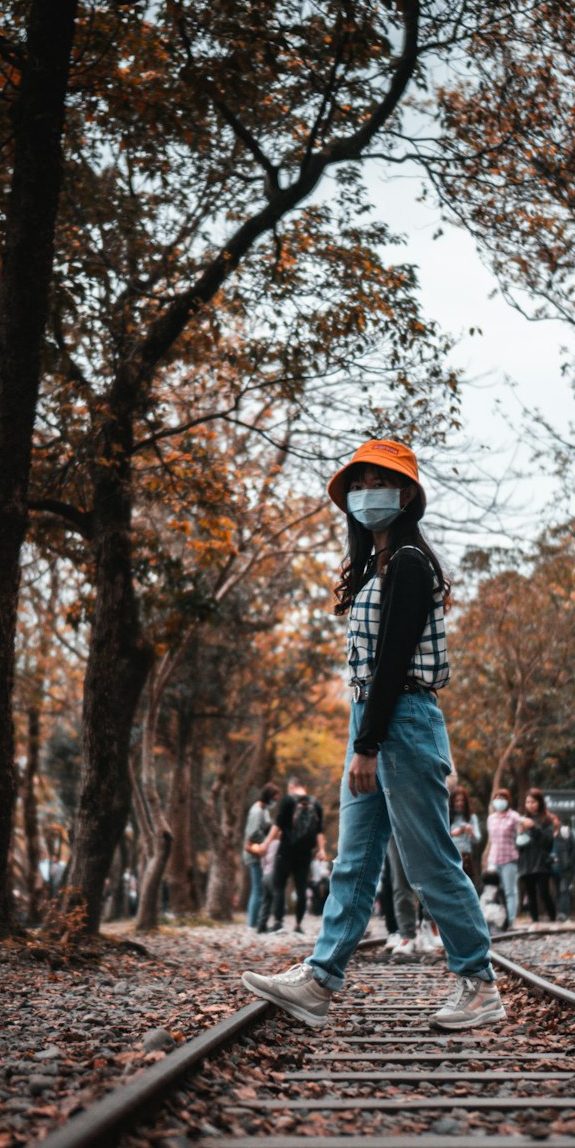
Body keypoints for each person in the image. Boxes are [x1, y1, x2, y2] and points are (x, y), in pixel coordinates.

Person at [242, 437, 502, 1030]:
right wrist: (361, 733)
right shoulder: (376, 567)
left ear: (406, 494)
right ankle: (320, 979)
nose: (364, 495)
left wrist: (367, 744)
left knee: (430, 860)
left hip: (402, 719)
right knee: (355, 862)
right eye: (355, 486)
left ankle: (479, 983)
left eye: (375, 483)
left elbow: (392, 662)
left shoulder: (410, 563)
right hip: (375, 717)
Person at [258, 776, 326, 934]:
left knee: (279, 885)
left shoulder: (288, 800)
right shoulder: (316, 804)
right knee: (301, 888)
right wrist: (321, 850)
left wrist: (266, 843)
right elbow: (319, 831)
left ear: (291, 787)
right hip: (305, 853)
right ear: (304, 788)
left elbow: (278, 825)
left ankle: (278, 922)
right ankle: (298, 924)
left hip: (286, 851)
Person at [242, 782, 279, 929]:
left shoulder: (264, 811)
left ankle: (257, 921)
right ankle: (253, 923)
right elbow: (253, 833)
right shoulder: (256, 811)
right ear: (268, 797)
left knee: (260, 888)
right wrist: (267, 842)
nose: (275, 801)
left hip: (261, 855)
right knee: (258, 888)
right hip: (254, 854)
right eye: (274, 798)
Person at [517, 788, 556, 923]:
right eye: (528, 802)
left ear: (540, 802)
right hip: (526, 863)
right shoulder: (522, 819)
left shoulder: (546, 820)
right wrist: (520, 834)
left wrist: (534, 827)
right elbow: (518, 845)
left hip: (542, 862)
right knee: (530, 893)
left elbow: (548, 841)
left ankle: (553, 917)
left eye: (533, 802)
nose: (530, 805)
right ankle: (535, 921)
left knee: (544, 892)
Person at [485, 787, 521, 928]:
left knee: (509, 891)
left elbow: (520, 836)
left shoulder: (514, 816)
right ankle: (493, 919)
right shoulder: (491, 818)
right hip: (493, 859)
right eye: (497, 798)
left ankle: (510, 920)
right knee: (491, 890)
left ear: (508, 801)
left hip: (509, 858)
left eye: (503, 798)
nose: (500, 801)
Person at [449, 785, 482, 886]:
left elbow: (477, 839)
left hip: (466, 857)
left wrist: (470, 832)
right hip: (451, 857)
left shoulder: (471, 817)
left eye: (462, 800)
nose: (459, 803)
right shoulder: (447, 817)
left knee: (468, 885)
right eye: (456, 801)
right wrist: (456, 832)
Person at [553, 821, 575, 922]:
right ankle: (558, 913)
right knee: (558, 891)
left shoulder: (565, 831)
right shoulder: (548, 832)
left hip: (566, 868)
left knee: (564, 890)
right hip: (553, 868)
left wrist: (569, 861)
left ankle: (563, 913)